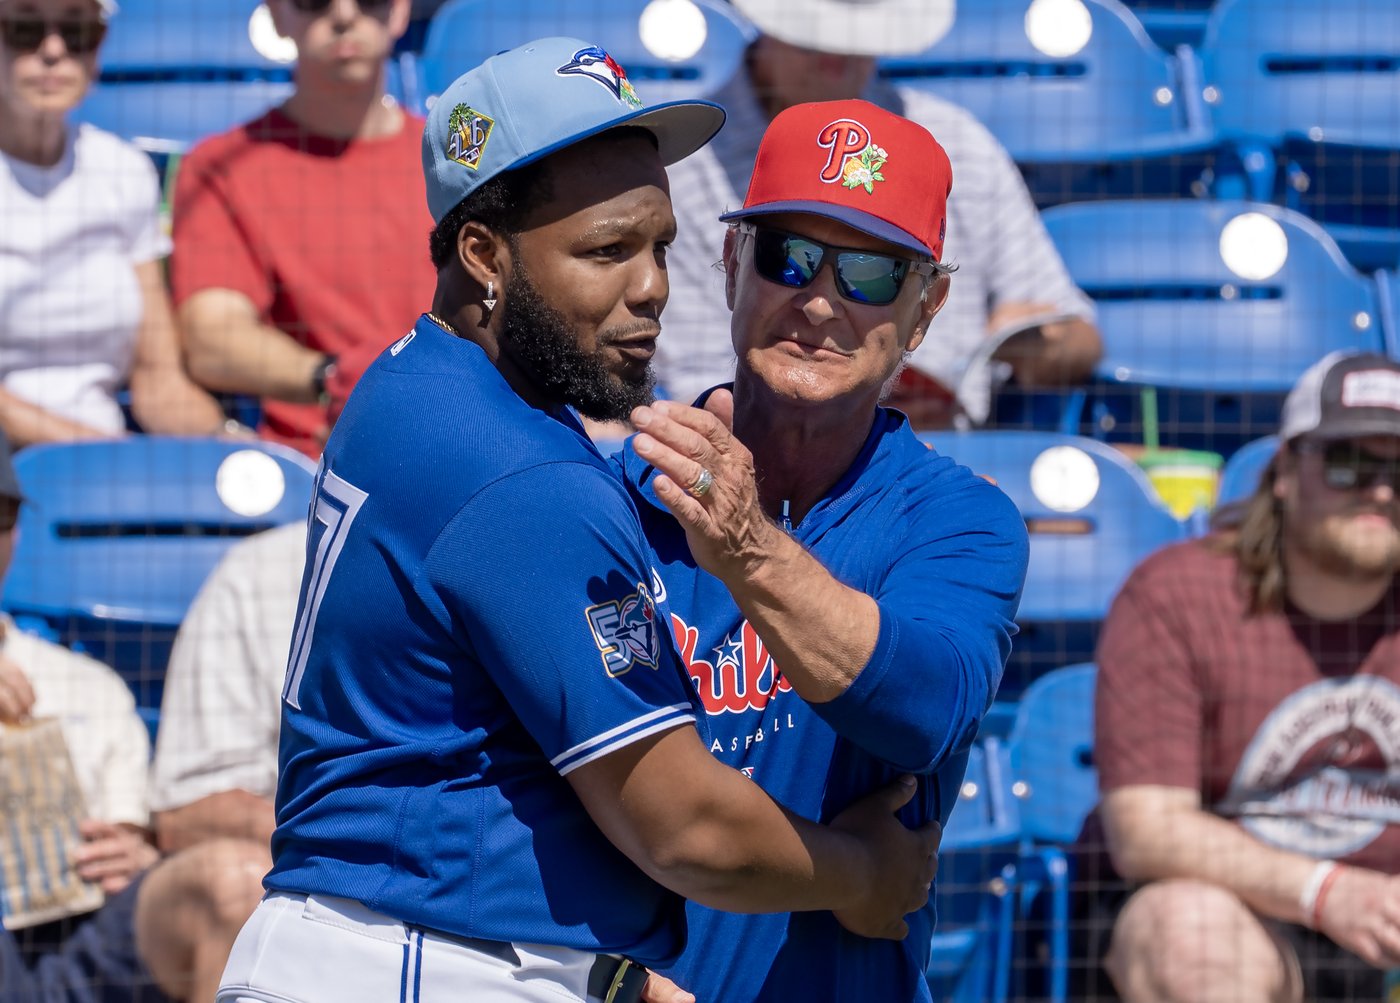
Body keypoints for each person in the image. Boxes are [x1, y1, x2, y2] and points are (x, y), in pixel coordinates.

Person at [216, 38, 941, 1003]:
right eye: (607, 250)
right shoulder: (523, 476)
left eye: (661, 245)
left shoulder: (410, 384)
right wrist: (867, 876)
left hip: (373, 947)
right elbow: (685, 829)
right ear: (484, 255)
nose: (652, 286)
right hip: (415, 965)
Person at [616, 98, 1030, 1001]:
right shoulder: (619, 489)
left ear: (927, 310)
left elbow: (922, 707)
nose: (819, 301)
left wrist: (747, 548)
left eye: (873, 275)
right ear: (730, 267)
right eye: (789, 255)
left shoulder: (959, 521)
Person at [1085, 350, 1400, 1002]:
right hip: (1240, 915)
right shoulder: (1179, 595)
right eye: (1350, 463)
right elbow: (1149, 830)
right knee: (1190, 934)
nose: (1381, 490)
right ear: (1285, 469)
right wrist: (1326, 891)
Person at [659, 0, 1101, 428]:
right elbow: (696, 387)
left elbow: (1077, 339)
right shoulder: (688, 164)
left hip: (949, 453)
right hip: (765, 450)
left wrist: (1035, 341)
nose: (839, 46)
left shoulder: (962, 147)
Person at [0, 430, 268, 1003]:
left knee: (233, 882)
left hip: (75, 943)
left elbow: (128, 856)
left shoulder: (86, 686)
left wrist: (144, 856)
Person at [170, 0, 435, 458]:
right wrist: (335, 380)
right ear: (276, 15)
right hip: (314, 470)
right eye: (314, 1)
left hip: (470, 454)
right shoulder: (220, 167)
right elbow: (213, 338)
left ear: (398, 11)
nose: (344, 14)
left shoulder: (460, 162)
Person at [0, 0, 225, 447]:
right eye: (24, 29)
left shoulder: (123, 170)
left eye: (79, 30)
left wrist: (235, 448)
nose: (53, 49)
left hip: (104, 471)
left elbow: (159, 383)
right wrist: (97, 451)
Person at [149, 521, 306, 855]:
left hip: (433, 870)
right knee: (235, 877)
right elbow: (187, 813)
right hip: (311, 871)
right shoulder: (263, 570)